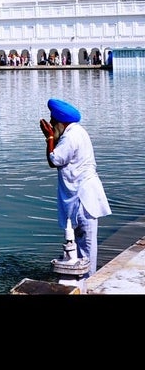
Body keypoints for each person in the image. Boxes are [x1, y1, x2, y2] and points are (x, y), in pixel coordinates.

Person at [40, 98, 112, 277]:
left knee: (86, 247)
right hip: (85, 196)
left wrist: (49, 137)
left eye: (52, 122)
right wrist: (52, 138)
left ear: (60, 123)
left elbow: (54, 160)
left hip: (83, 199)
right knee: (83, 245)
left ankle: (87, 282)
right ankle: (82, 278)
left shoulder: (70, 137)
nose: (51, 124)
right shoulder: (77, 132)